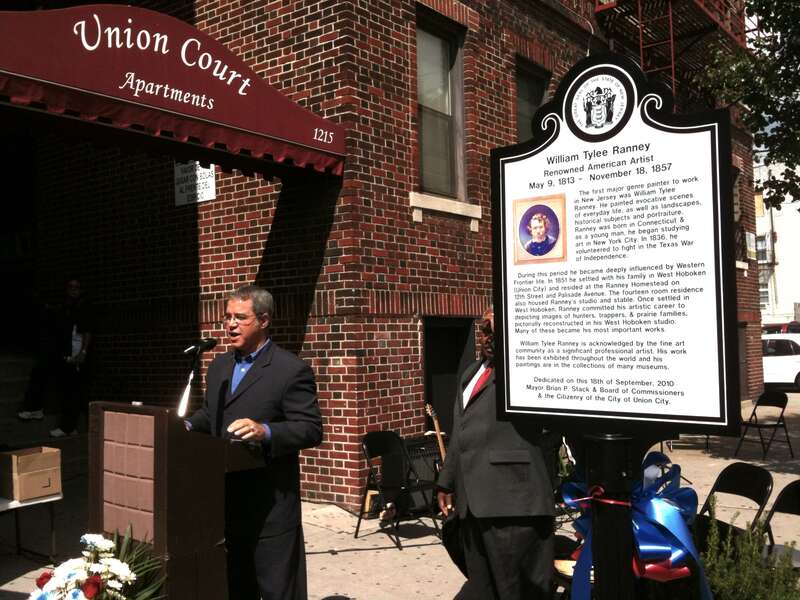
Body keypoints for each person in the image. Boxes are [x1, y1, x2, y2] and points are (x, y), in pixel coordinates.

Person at [186, 284, 322, 600]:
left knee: (277, 592)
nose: (230, 324)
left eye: (240, 317)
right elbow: (211, 415)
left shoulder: (291, 370)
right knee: (236, 588)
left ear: (263, 320)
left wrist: (267, 432)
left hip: (270, 506)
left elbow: (311, 429)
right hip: (226, 503)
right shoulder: (219, 366)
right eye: (227, 317)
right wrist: (185, 425)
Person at [436, 308, 555, 600]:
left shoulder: (525, 370)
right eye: (486, 330)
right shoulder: (470, 373)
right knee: (483, 587)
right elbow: (460, 431)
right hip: (472, 505)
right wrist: (446, 479)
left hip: (512, 504)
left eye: (497, 330)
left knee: (517, 592)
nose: (490, 337)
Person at [18, 278, 92, 438]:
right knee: (47, 375)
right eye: (71, 287)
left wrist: (82, 353)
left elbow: (86, 331)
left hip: (74, 354)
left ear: (81, 290)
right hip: (63, 352)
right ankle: (36, 408)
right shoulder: (66, 306)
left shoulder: (82, 307)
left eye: (76, 287)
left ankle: (68, 427)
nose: (73, 290)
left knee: (71, 389)